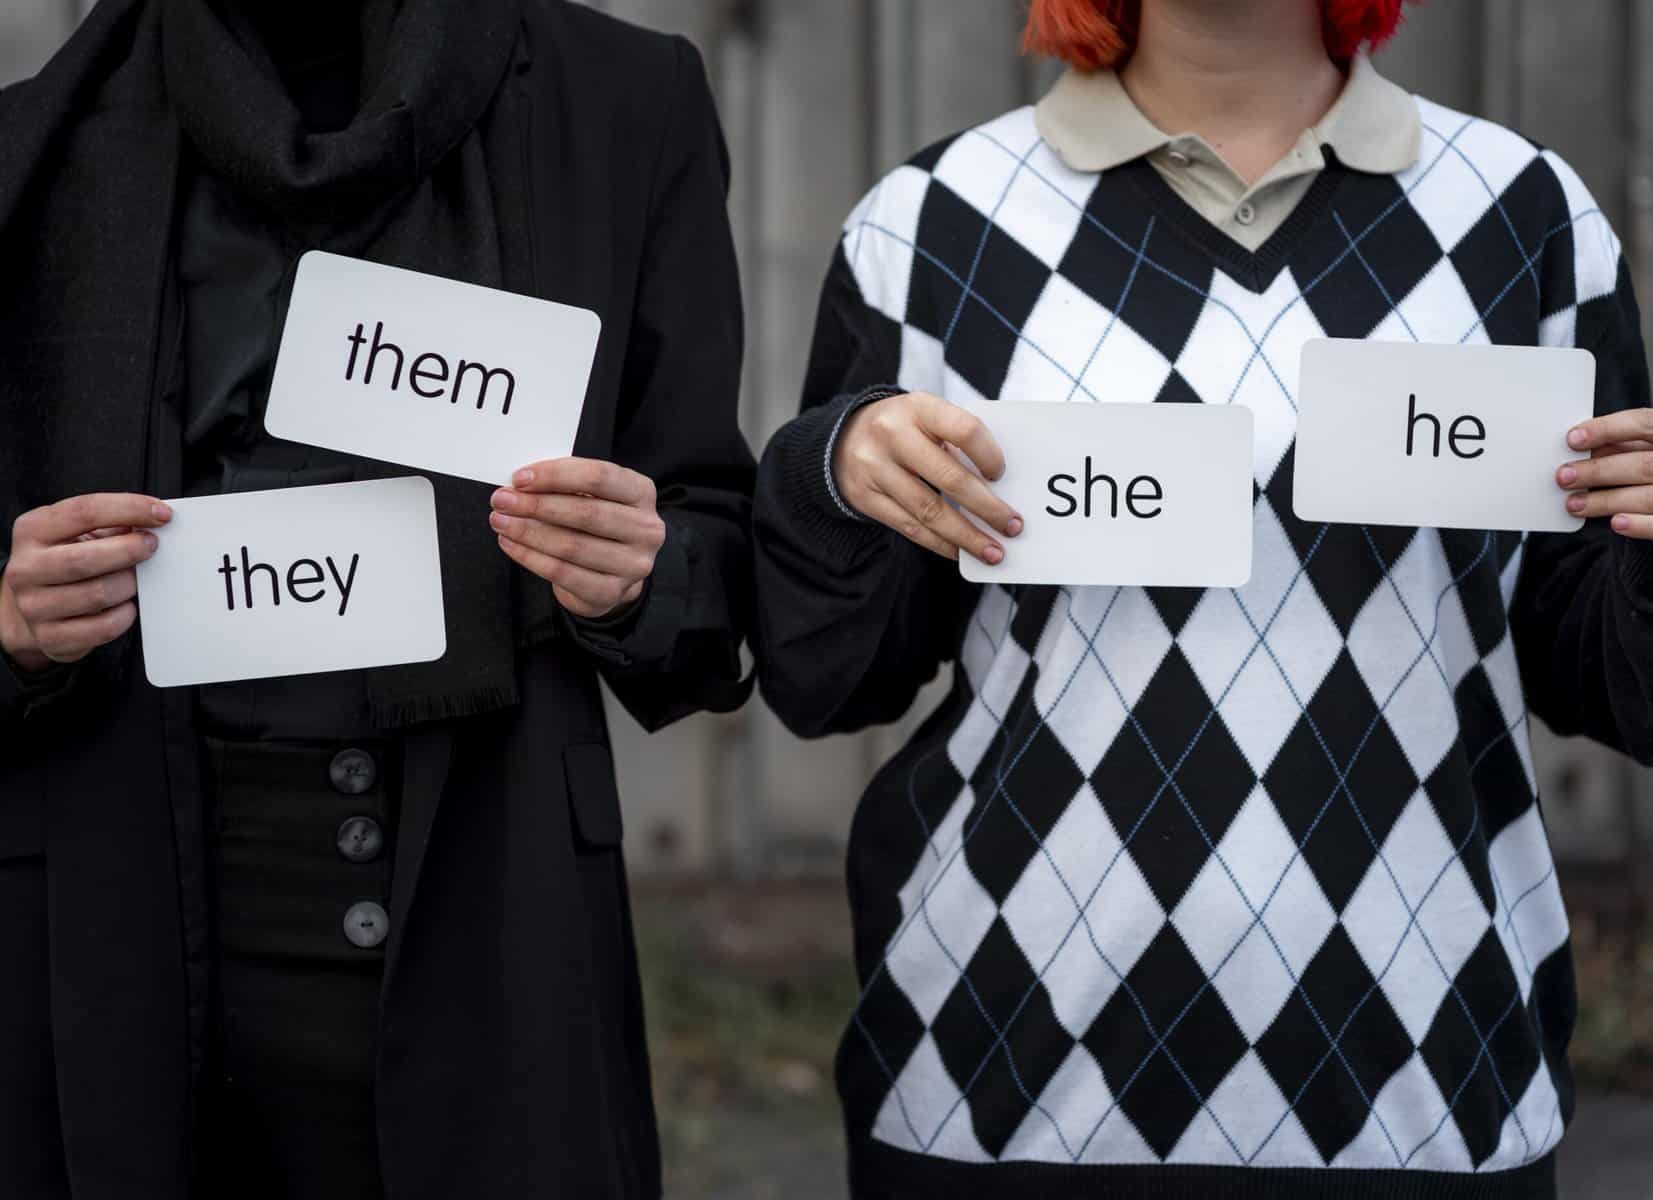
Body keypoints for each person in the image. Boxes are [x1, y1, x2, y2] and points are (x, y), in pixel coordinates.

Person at [753, 0, 1653, 1196]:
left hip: (1433, 1073)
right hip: (999, 1073)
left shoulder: (1524, 210)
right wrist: (833, 474)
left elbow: (1607, 672)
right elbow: (830, 678)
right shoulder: (933, 219)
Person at [0, 1, 753, 1197]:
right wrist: (13, 628)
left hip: (494, 914)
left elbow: (711, 555)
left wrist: (637, 575)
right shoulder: (38, 141)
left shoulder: (623, 103)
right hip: (126, 931)